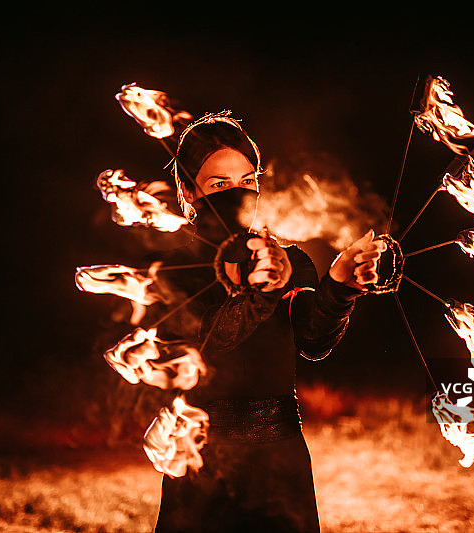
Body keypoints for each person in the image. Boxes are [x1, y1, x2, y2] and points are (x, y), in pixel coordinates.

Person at [144, 112, 383, 533]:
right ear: (187, 190)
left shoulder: (293, 261)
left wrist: (342, 283)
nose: (237, 194)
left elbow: (313, 339)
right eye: (218, 184)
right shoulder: (175, 269)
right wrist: (260, 294)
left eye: (248, 181)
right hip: (202, 463)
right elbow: (206, 343)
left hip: (281, 460)